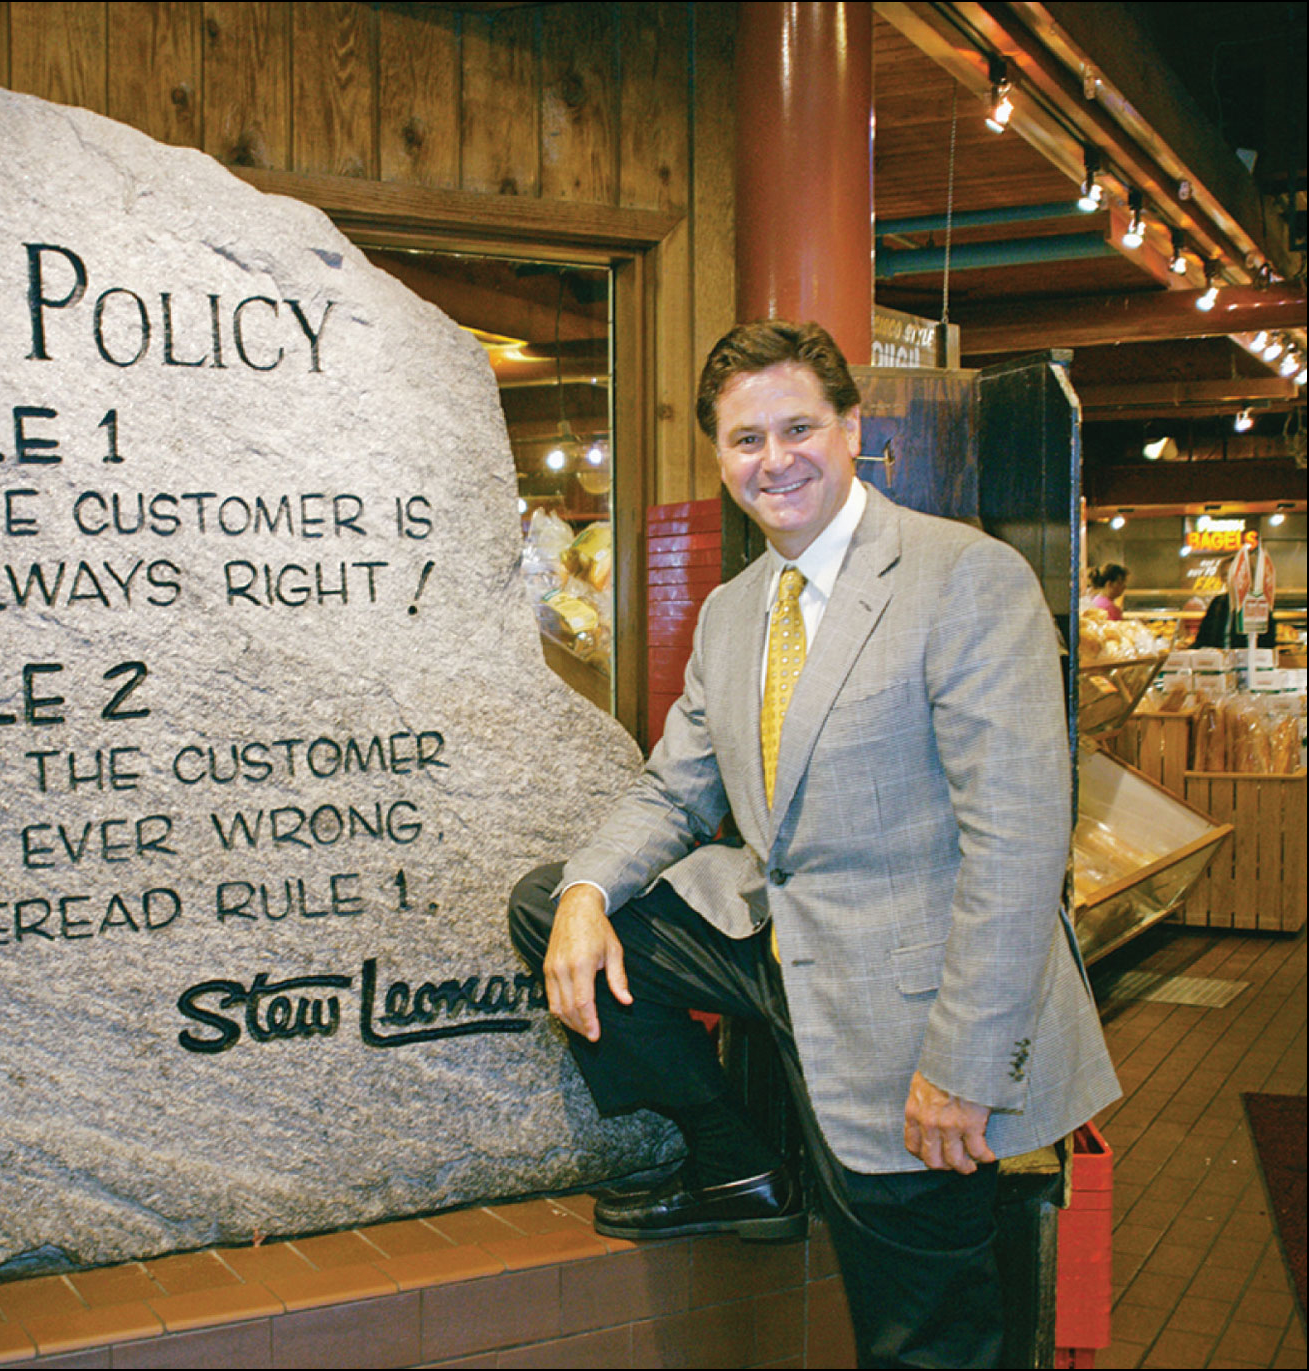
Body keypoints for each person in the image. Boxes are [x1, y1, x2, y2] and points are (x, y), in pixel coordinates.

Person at [509, 320, 1120, 1368]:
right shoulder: (734, 611)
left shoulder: (963, 580)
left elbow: (1017, 846)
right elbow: (671, 789)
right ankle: (737, 1161)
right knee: (546, 902)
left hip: (915, 1002)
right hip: (779, 940)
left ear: (851, 429)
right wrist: (582, 896)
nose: (774, 459)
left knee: (923, 1332)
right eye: (745, 440)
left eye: (798, 427)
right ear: (719, 455)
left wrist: (965, 1065)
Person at [1194, 556, 1277, 650]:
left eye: (1235, 576)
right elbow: (1202, 639)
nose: (1230, 580)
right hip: (1218, 662)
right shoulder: (1217, 603)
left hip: (1246, 661)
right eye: (1226, 575)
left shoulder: (1257, 603)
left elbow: (1267, 643)